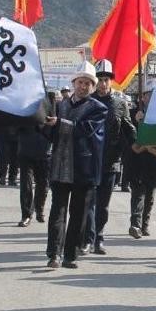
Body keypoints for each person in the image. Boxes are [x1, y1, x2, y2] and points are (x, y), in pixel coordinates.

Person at [43, 62, 107, 269]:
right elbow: (50, 134)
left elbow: (85, 130)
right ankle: (54, 253)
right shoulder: (61, 105)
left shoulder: (99, 109)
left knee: (78, 215)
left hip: (84, 169)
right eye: (80, 82)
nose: (83, 86)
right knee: (57, 213)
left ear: (93, 87)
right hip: (60, 166)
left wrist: (59, 123)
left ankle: (70, 255)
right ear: (73, 83)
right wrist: (42, 122)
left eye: (88, 83)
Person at [82, 59, 135, 255]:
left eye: (106, 79)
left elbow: (128, 130)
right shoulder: (88, 102)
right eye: (100, 79)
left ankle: (99, 237)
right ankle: (87, 239)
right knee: (89, 202)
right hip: (89, 160)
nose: (103, 83)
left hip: (111, 162)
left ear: (111, 81)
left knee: (103, 205)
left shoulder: (120, 104)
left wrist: (138, 143)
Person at [127, 78, 156, 239]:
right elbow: (128, 136)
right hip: (138, 160)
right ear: (143, 97)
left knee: (150, 195)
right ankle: (135, 224)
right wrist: (137, 122)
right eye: (150, 94)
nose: (153, 98)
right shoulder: (133, 113)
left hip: (155, 160)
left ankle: (145, 224)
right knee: (138, 194)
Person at [17, 123, 51, 226]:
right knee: (26, 184)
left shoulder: (51, 111)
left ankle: (39, 208)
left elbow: (55, 123)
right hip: (26, 150)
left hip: (44, 151)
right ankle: (26, 215)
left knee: (43, 184)